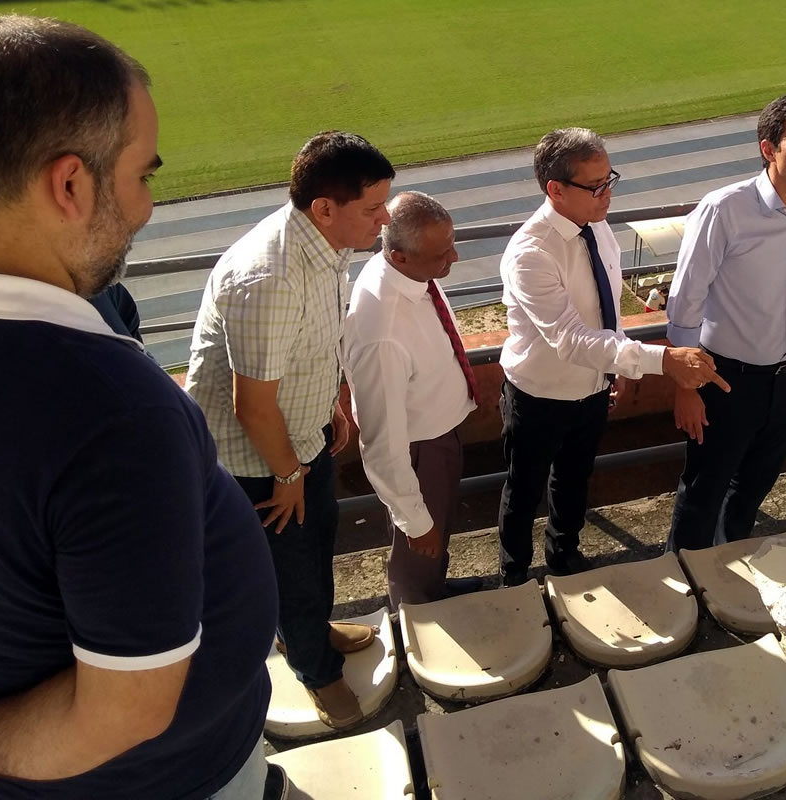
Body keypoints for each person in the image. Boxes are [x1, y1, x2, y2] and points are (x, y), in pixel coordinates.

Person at [0, 15, 283, 800]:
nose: (149, 204)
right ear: (70, 185)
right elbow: (122, 712)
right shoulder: (108, 411)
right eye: (142, 174)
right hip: (172, 781)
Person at [185, 131, 393, 731]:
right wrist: (288, 473)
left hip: (301, 441)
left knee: (313, 547)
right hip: (262, 463)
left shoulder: (327, 242)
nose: (384, 219)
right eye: (373, 208)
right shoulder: (270, 276)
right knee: (290, 565)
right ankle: (314, 667)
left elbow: (312, 343)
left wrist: (329, 406)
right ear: (324, 208)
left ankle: (308, 628)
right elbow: (251, 406)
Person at [497, 127, 728, 586]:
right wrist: (661, 360)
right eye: (596, 185)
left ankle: (564, 559)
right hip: (538, 395)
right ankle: (515, 577)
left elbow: (607, 313)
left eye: (610, 180)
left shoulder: (597, 228)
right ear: (555, 190)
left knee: (574, 480)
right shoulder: (531, 253)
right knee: (523, 490)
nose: (608, 194)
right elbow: (570, 339)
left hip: (592, 388)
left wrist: (613, 370)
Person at [665, 93, 786, 552]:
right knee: (704, 490)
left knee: (755, 485)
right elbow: (684, 303)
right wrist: (685, 388)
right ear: (769, 148)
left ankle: (731, 563)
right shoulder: (723, 210)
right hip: (727, 380)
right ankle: (684, 574)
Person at [343, 192, 485, 609]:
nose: (454, 258)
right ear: (400, 256)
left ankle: (432, 589)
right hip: (419, 451)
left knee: (436, 531)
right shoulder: (382, 330)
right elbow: (382, 442)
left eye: (452, 244)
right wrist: (414, 520)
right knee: (419, 541)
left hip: (436, 439)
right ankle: (418, 614)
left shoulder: (404, 275)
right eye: (441, 253)